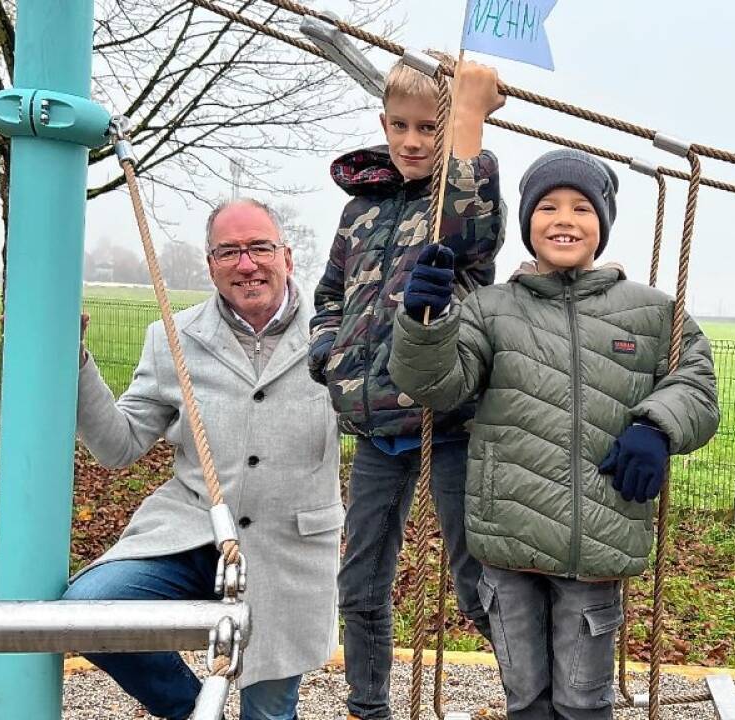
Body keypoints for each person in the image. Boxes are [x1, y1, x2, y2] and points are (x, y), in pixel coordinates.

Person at [389, 148, 720, 720]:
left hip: (599, 533)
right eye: (547, 207)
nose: (564, 219)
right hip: (509, 533)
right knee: (525, 695)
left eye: (581, 208)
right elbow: (439, 386)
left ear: (603, 224)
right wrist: (426, 323)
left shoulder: (650, 312)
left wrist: (656, 425)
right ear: (526, 224)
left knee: (583, 696)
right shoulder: (491, 310)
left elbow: (697, 382)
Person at [64, 199, 342, 720]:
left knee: (268, 713)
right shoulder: (174, 337)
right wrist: (73, 362)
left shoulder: (337, 334)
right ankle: (196, 712)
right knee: (90, 611)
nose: (247, 264)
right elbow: (118, 445)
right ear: (209, 262)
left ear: (287, 255)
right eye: (229, 251)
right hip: (193, 534)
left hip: (291, 549)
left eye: (260, 247)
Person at [306, 56, 506, 720]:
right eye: (401, 125)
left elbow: (473, 235)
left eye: (430, 127)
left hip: (447, 422)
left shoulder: (457, 195)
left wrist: (469, 119)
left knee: (477, 582)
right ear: (383, 124)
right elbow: (330, 295)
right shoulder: (361, 212)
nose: (414, 141)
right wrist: (325, 350)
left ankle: (532, 695)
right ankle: (369, 708)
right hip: (373, 426)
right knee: (360, 584)